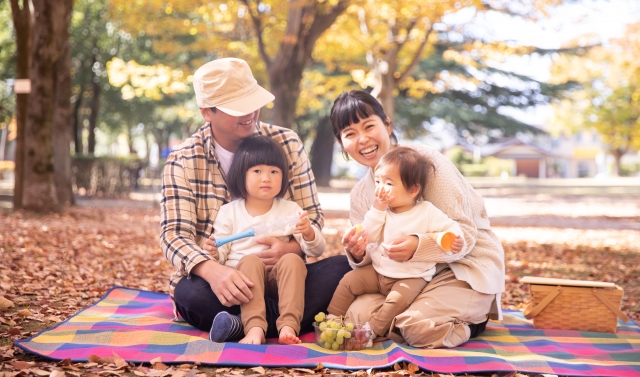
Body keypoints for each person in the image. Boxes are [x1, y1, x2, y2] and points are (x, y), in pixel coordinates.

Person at [160, 58, 351, 342]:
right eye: (238, 107)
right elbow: (174, 235)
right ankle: (281, 322)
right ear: (206, 112)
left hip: (286, 278)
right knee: (190, 294)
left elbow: (311, 216)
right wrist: (213, 271)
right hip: (226, 285)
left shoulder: (286, 143)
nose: (250, 113)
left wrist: (290, 248)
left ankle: (243, 326)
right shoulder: (184, 159)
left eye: (252, 101)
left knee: (343, 268)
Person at [328, 90, 505, 349]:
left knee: (412, 326)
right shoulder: (359, 195)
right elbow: (371, 254)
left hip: (460, 268)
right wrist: (357, 253)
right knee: (357, 317)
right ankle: (415, 316)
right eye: (350, 133)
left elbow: (465, 234)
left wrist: (418, 246)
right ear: (341, 142)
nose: (363, 139)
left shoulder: (425, 163)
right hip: (398, 278)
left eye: (369, 126)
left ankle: (468, 322)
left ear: (387, 125)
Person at [327, 147, 464, 339]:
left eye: (388, 183)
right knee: (349, 281)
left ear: (413, 189)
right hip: (378, 271)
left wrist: (456, 240)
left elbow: (451, 228)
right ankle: (331, 318)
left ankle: (371, 331)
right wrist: (378, 209)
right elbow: (370, 235)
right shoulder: (382, 212)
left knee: (395, 302)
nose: (380, 189)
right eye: (377, 182)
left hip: (411, 277)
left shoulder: (426, 211)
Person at [202, 136, 326, 344]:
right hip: (244, 287)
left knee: (293, 260)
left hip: (281, 285)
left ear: (284, 176)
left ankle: (288, 325)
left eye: (274, 171)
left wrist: (309, 234)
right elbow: (222, 253)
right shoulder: (229, 212)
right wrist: (214, 252)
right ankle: (255, 328)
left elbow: (316, 250)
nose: (266, 178)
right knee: (249, 261)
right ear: (242, 175)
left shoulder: (290, 210)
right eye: (257, 171)